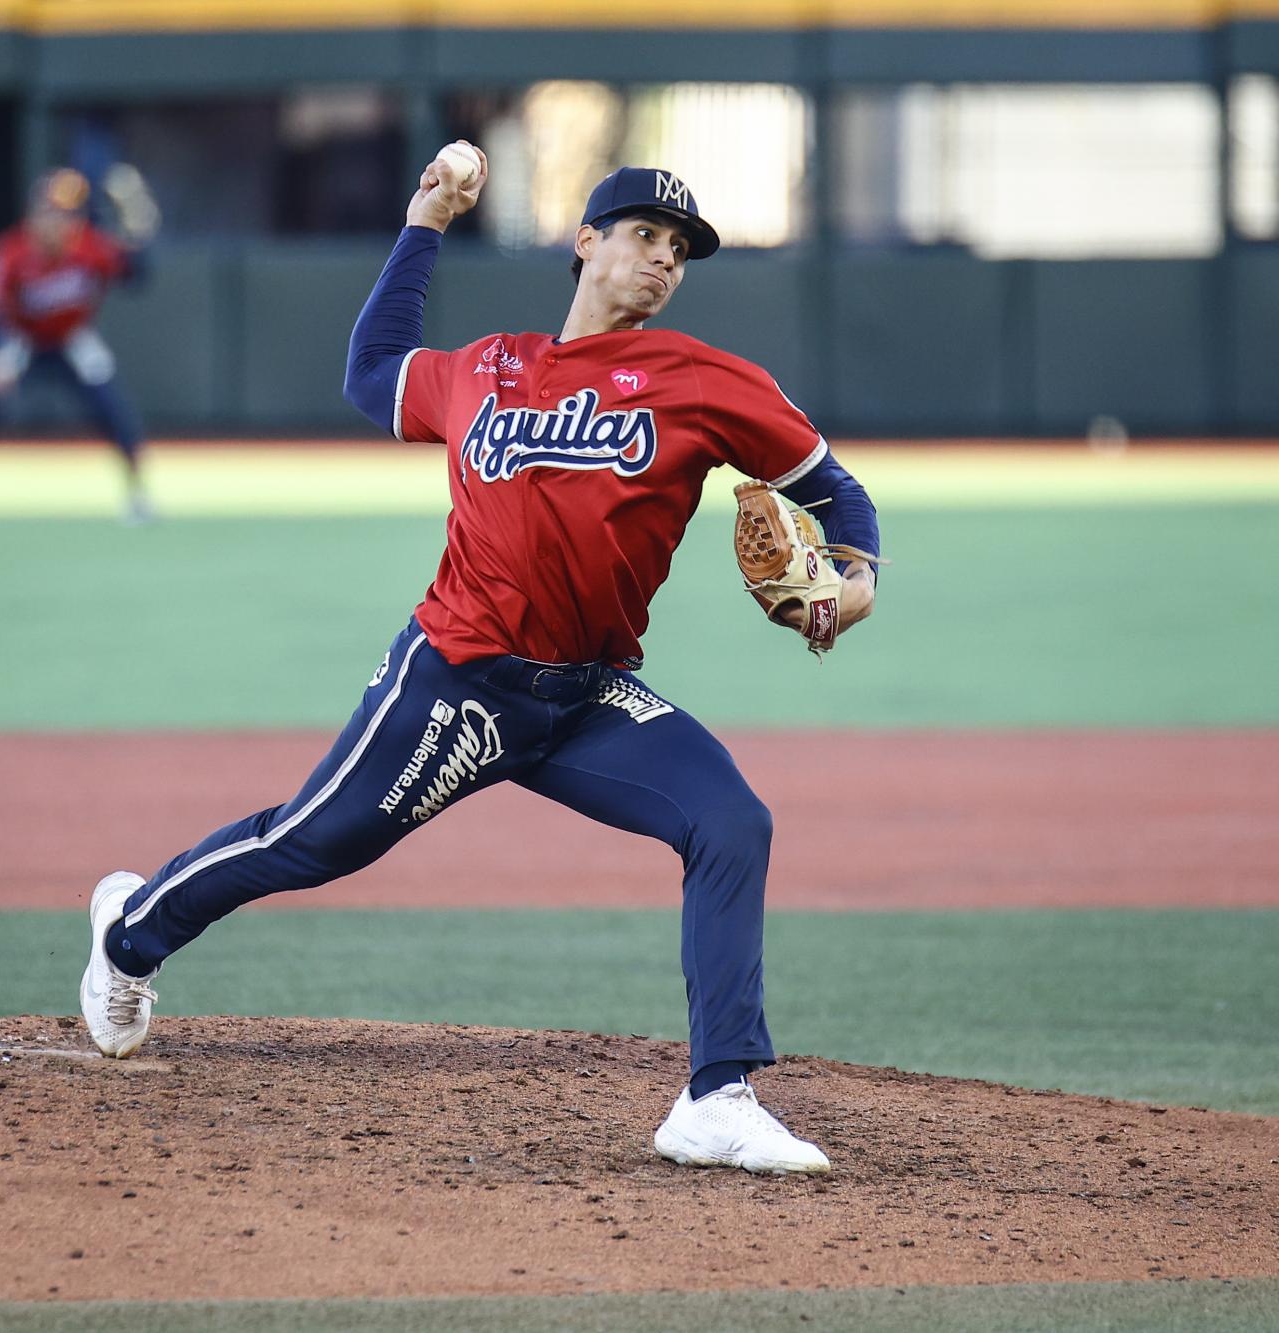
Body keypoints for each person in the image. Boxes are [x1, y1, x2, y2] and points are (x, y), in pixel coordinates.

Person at [79, 147, 882, 1175]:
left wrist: (853, 580)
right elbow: (370, 373)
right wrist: (423, 221)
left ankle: (715, 1096)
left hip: (587, 697)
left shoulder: (702, 381)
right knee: (311, 842)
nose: (662, 260)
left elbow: (833, 489)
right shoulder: (488, 367)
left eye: (678, 249)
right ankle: (128, 932)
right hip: (455, 677)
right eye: (643, 235)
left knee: (730, 819)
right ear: (584, 241)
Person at [0, 166, 157, 525]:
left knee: (113, 407)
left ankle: (138, 495)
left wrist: (138, 230)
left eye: (68, 214)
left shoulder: (89, 245)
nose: (59, 222)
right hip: (21, 339)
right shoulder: (11, 250)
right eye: (51, 212)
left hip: (72, 338)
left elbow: (136, 277)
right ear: (34, 214)